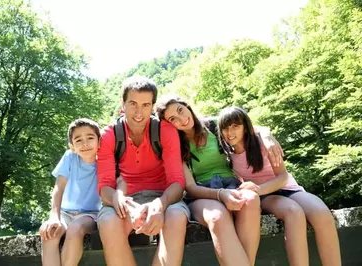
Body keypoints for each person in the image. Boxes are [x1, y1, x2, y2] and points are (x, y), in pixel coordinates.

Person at [156, 96, 282, 266]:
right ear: (169, 125)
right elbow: (191, 187)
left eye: (180, 110)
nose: (181, 119)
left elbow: (247, 126)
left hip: (232, 184)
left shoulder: (213, 125)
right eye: (173, 119)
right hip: (202, 194)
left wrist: (266, 135)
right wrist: (221, 195)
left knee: (251, 200)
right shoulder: (176, 145)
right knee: (217, 216)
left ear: (187, 106)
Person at [217, 106, 341, 266]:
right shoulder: (227, 155)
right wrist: (258, 190)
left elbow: (283, 177)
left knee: (322, 213)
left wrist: (265, 133)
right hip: (265, 196)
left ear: (245, 128)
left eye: (235, 126)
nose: (230, 132)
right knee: (293, 212)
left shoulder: (262, 143)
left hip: (286, 188)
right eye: (225, 128)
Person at [97, 76, 190, 266]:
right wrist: (124, 204)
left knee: (177, 217)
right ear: (123, 104)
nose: (139, 112)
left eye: (146, 105)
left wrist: (160, 204)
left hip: (164, 196)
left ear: (153, 106)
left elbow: (177, 182)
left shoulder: (165, 130)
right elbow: (104, 187)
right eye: (133, 104)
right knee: (108, 222)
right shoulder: (109, 135)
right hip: (125, 200)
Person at [39, 118, 126, 266]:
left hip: (90, 214)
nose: (85, 143)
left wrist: (120, 195)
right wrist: (55, 216)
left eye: (90, 138)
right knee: (49, 233)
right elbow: (58, 188)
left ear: (99, 142)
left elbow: (121, 181)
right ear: (72, 146)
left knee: (76, 228)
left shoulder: (105, 161)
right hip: (65, 213)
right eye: (78, 140)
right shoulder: (70, 158)